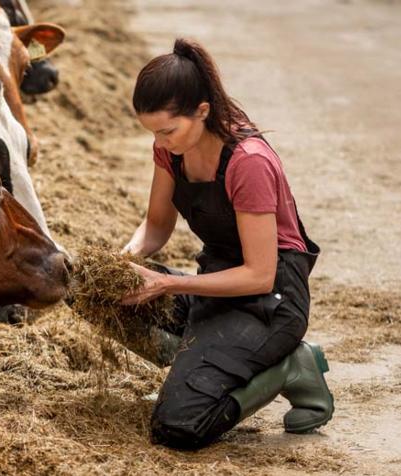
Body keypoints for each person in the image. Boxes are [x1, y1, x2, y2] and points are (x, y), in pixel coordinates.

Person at [120, 38, 334, 450]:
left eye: (168, 130)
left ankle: (290, 366)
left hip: (271, 301)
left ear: (202, 111)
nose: (160, 142)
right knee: (88, 290)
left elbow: (259, 274)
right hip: (215, 287)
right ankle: (197, 366)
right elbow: (155, 226)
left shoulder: (247, 161)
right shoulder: (172, 151)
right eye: (153, 133)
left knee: (179, 427)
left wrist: (167, 284)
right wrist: (120, 263)